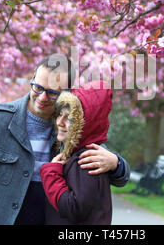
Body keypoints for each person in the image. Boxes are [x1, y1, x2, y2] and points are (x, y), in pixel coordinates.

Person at [0, 54, 130, 225]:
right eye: (37, 87)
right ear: (32, 79)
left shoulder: (69, 126)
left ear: (67, 93)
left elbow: (115, 173)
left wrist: (116, 164)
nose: (41, 98)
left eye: (51, 93)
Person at [40, 80, 113, 224]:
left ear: (85, 124)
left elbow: (73, 208)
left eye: (70, 118)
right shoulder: (75, 153)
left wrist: (51, 174)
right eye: (60, 114)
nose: (60, 122)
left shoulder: (88, 159)